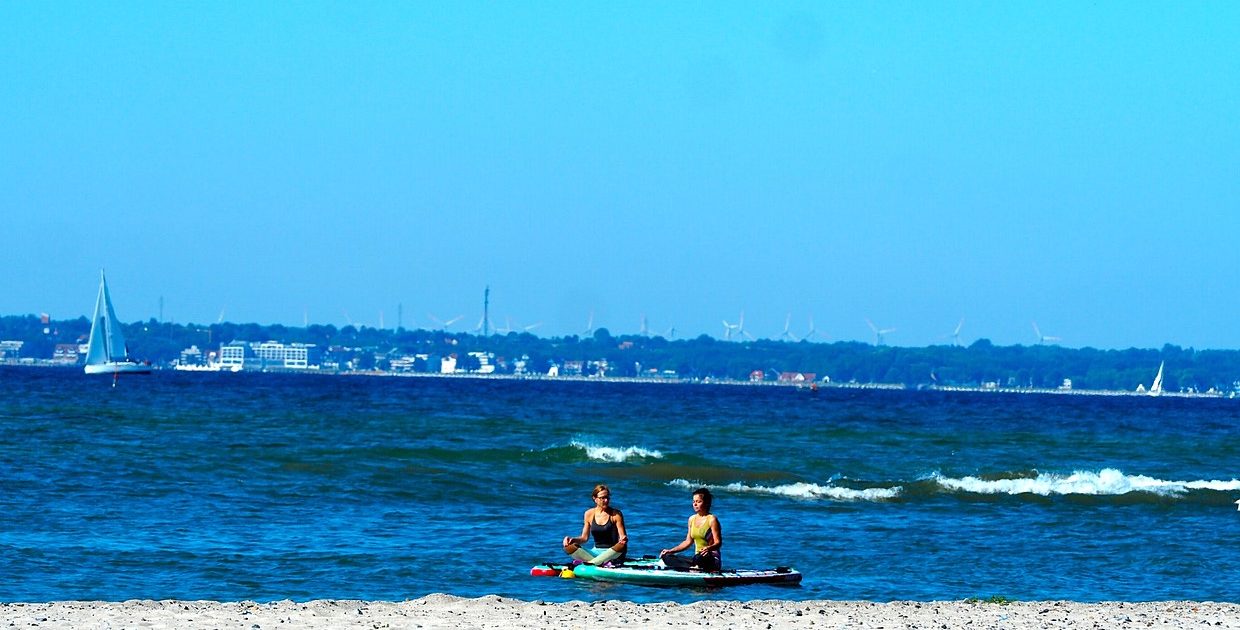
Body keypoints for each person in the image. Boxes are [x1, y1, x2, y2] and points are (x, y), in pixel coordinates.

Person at [562, 483, 628, 566]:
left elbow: (623, 536)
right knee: (569, 548)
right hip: (595, 552)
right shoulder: (588, 514)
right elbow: (584, 538)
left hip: (612, 552)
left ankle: (590, 563)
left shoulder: (616, 514)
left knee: (621, 546)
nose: (606, 500)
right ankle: (597, 562)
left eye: (607, 497)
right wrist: (572, 540)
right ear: (595, 499)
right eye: (602, 498)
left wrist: (623, 539)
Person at [660, 487, 722, 571]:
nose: (695, 504)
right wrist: (671, 551)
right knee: (667, 557)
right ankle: (693, 568)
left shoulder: (712, 519)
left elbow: (718, 542)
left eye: (698, 501)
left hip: (711, 559)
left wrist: (708, 548)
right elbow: (688, 542)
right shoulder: (691, 519)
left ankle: (694, 567)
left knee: (698, 558)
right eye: (694, 501)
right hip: (697, 558)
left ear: (707, 503)